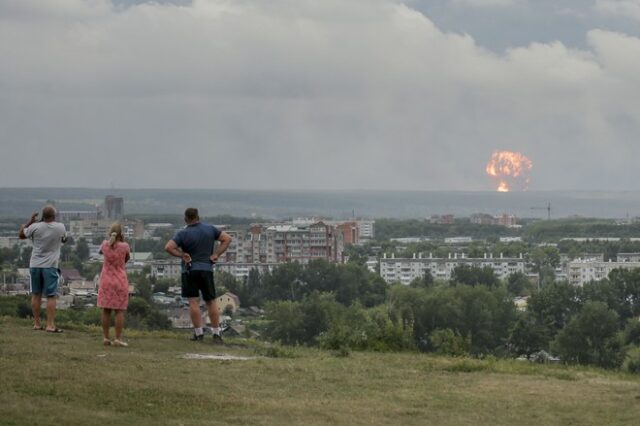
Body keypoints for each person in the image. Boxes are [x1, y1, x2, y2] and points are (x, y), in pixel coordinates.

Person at [165, 208, 232, 343]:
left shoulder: (183, 233)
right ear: (198, 217)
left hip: (189, 270)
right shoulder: (210, 229)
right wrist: (216, 254)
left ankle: (199, 334)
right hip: (206, 269)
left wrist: (182, 255)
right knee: (211, 301)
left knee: (193, 302)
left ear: (186, 219)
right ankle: (216, 334)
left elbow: (168, 247)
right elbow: (227, 238)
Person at [18, 205, 67, 333]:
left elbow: (21, 234)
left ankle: (37, 323)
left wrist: (30, 221)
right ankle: (50, 324)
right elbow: (64, 239)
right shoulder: (60, 227)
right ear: (54, 215)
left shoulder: (35, 227)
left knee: (36, 294)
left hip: (35, 265)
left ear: (42, 216)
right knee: (51, 296)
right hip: (50, 266)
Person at [97, 223, 131, 347]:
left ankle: (106, 337)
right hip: (120, 280)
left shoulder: (104, 245)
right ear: (121, 234)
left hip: (106, 279)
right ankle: (118, 338)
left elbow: (101, 252)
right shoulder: (125, 246)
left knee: (106, 310)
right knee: (119, 310)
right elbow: (126, 260)